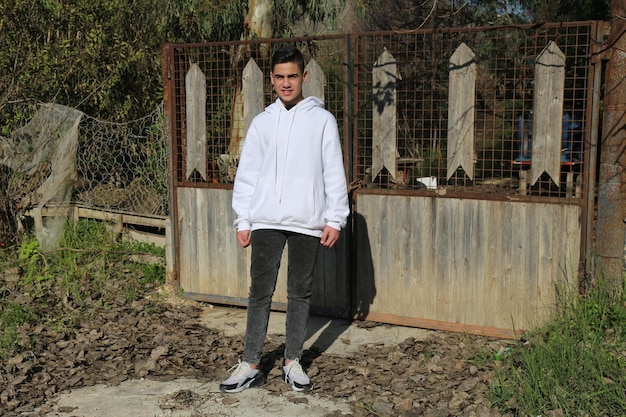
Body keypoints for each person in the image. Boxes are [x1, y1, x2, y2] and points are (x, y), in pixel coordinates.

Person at [219, 45, 350, 393]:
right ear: (271, 79)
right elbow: (247, 173)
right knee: (259, 291)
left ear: (304, 76)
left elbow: (333, 171)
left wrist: (335, 218)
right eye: (279, 77)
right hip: (265, 220)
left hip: (307, 220)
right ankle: (250, 363)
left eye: (293, 76)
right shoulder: (263, 123)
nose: (286, 83)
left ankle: (292, 361)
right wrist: (242, 219)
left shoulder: (323, 121)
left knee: (299, 292)